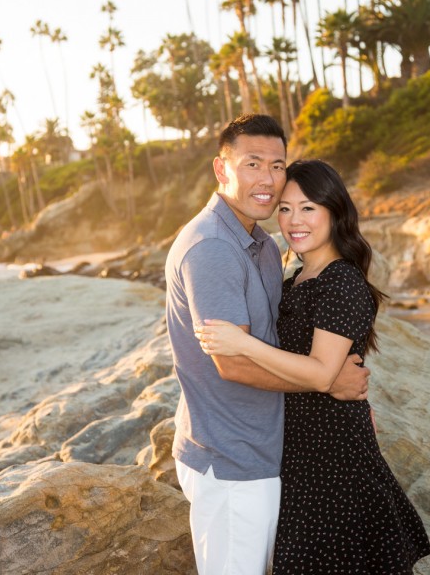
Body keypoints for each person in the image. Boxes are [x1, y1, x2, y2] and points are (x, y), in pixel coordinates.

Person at [197, 159, 430, 573]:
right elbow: (320, 374)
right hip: (299, 454)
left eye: (308, 208)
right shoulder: (296, 280)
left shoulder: (341, 280)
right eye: (285, 209)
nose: (293, 220)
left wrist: (242, 344)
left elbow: (322, 372)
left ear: (334, 211)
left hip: (334, 458)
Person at [164, 114, 370, 575]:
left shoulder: (258, 244)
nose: (269, 179)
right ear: (222, 169)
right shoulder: (214, 247)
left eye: (277, 165)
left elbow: (274, 337)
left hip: (260, 450)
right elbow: (232, 364)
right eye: (253, 163)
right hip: (232, 457)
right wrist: (328, 383)